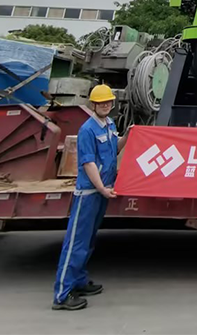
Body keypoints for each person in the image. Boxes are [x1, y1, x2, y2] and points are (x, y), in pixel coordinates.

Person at [52, 84, 127, 311]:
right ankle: (62, 294)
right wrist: (103, 189)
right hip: (89, 193)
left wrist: (129, 135)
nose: (105, 105)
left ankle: (79, 281)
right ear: (93, 104)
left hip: (102, 191)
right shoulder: (87, 130)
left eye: (108, 102)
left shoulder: (110, 125)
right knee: (76, 242)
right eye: (101, 102)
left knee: (88, 240)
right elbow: (88, 162)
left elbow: (114, 150)